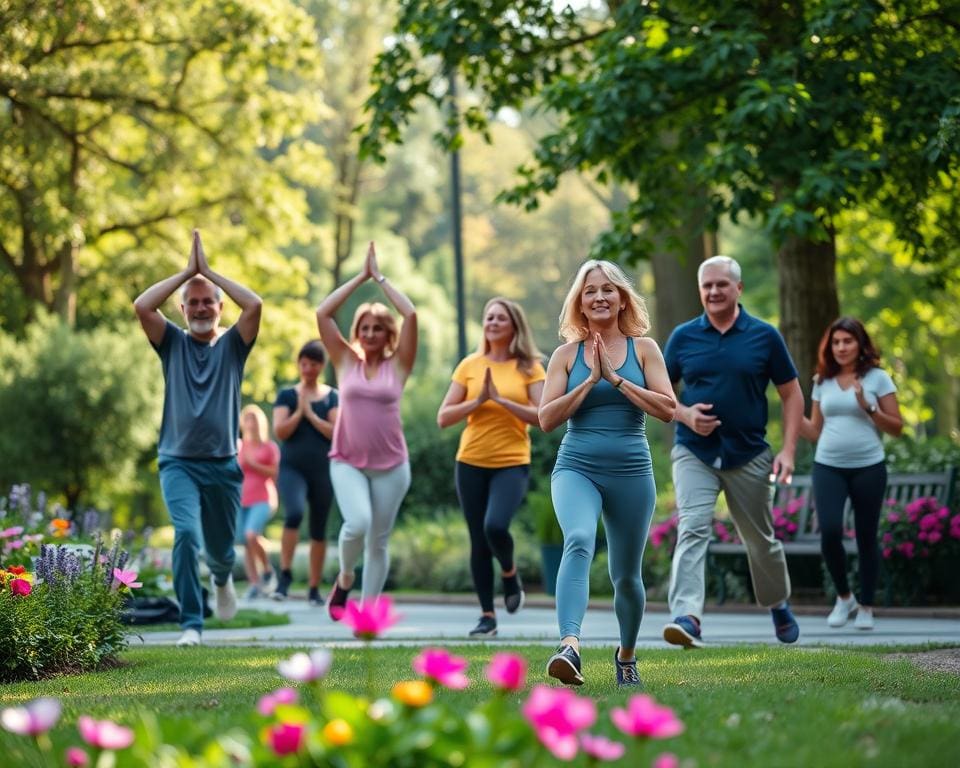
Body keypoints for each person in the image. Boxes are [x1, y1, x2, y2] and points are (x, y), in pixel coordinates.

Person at [538, 260, 676, 687]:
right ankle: (569, 646)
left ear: (621, 299)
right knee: (578, 539)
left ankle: (626, 655)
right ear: (579, 302)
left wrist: (615, 381)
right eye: (589, 291)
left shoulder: (645, 349)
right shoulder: (565, 356)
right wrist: (589, 381)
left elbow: (668, 409)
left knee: (626, 577)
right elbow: (546, 418)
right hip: (576, 466)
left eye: (608, 290)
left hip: (632, 471)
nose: (599, 297)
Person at [662, 255, 804, 649]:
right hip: (694, 452)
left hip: (749, 454)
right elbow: (660, 393)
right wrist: (686, 414)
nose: (713, 292)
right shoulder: (683, 337)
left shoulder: (764, 336)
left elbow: (791, 394)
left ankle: (777, 603)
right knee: (692, 527)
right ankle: (687, 617)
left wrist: (789, 451)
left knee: (760, 540)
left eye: (721, 284)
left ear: (738, 288)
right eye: (706, 285)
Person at [133, 229, 261, 647]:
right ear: (183, 309)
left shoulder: (233, 347)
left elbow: (255, 304)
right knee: (186, 535)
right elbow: (142, 305)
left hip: (224, 463)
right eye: (194, 302)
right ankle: (192, 623)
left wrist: (210, 273)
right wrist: (187, 272)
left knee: (222, 551)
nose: (202, 307)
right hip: (178, 462)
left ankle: (223, 578)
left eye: (209, 301)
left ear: (221, 307)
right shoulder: (171, 343)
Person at [316, 241, 417, 617]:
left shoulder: (400, 363)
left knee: (378, 541)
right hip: (347, 461)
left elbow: (411, 315)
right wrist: (360, 278)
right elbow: (323, 313)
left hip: (391, 465)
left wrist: (382, 279)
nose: (371, 333)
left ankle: (368, 616)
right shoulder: (344, 361)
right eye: (365, 327)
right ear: (357, 332)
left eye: (378, 327)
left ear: (387, 333)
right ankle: (344, 577)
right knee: (357, 524)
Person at [437, 298, 546, 638]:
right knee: (478, 540)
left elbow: (543, 416)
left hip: (511, 462)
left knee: (495, 526)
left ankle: (510, 574)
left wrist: (502, 401)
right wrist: (479, 400)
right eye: (489, 317)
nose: (493, 323)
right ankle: (487, 616)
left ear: (514, 326)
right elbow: (444, 417)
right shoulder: (470, 365)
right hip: (470, 461)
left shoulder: (530, 367)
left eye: (500, 318)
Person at [800, 317, 903, 630]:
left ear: (861, 344)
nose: (841, 347)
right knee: (830, 531)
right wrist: (791, 412)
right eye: (836, 342)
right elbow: (815, 430)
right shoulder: (822, 381)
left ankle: (867, 606)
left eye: (848, 341)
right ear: (829, 347)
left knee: (866, 536)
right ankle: (845, 597)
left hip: (869, 466)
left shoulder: (878, 378)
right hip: (828, 465)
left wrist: (869, 407)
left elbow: (897, 428)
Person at [271, 340, 339, 605]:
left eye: (313, 364)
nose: (308, 368)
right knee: (295, 513)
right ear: (299, 364)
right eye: (303, 363)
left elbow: (336, 432)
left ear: (321, 366)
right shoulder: (287, 395)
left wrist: (311, 415)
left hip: (323, 468)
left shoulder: (332, 396)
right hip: (292, 468)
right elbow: (281, 432)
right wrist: (300, 411)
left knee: (319, 528)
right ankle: (285, 576)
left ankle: (313, 587)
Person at [237, 405, 280, 599]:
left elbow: (275, 473)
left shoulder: (269, 447)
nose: (250, 423)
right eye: (247, 419)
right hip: (241, 499)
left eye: (254, 419)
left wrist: (253, 464)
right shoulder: (239, 446)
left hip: (263, 497)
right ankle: (254, 584)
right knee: (247, 541)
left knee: (251, 534)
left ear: (260, 423)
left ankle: (268, 570)